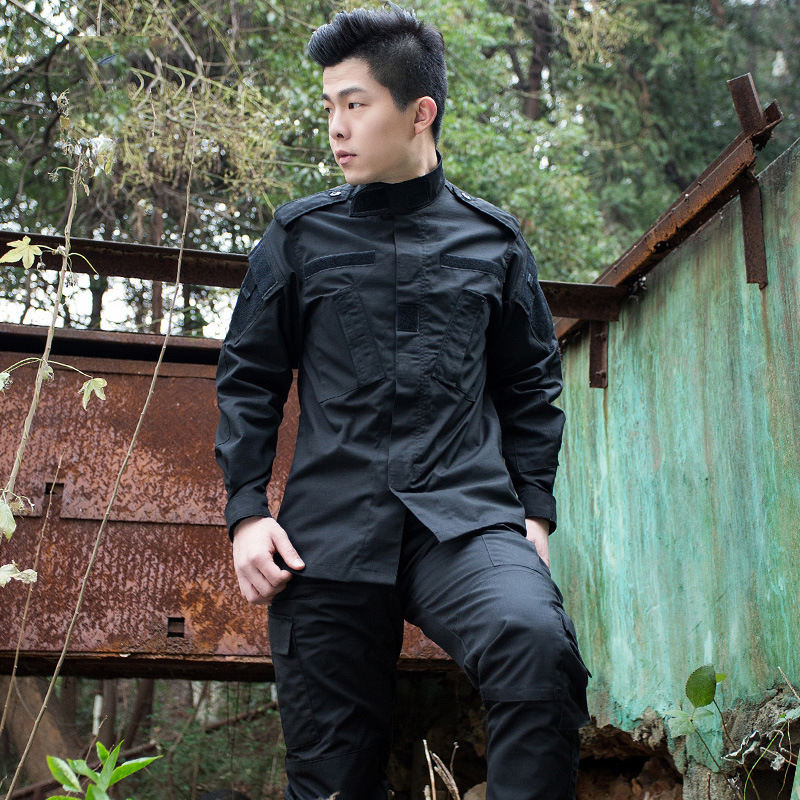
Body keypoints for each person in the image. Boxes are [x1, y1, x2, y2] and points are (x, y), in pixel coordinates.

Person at [215, 6, 590, 799]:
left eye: (356, 104)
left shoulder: (494, 243)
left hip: (464, 521)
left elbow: (530, 383)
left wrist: (534, 511)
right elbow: (249, 376)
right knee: (332, 777)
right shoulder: (298, 238)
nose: (336, 127)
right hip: (328, 537)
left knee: (536, 645)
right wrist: (247, 513)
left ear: (420, 113)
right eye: (330, 106)